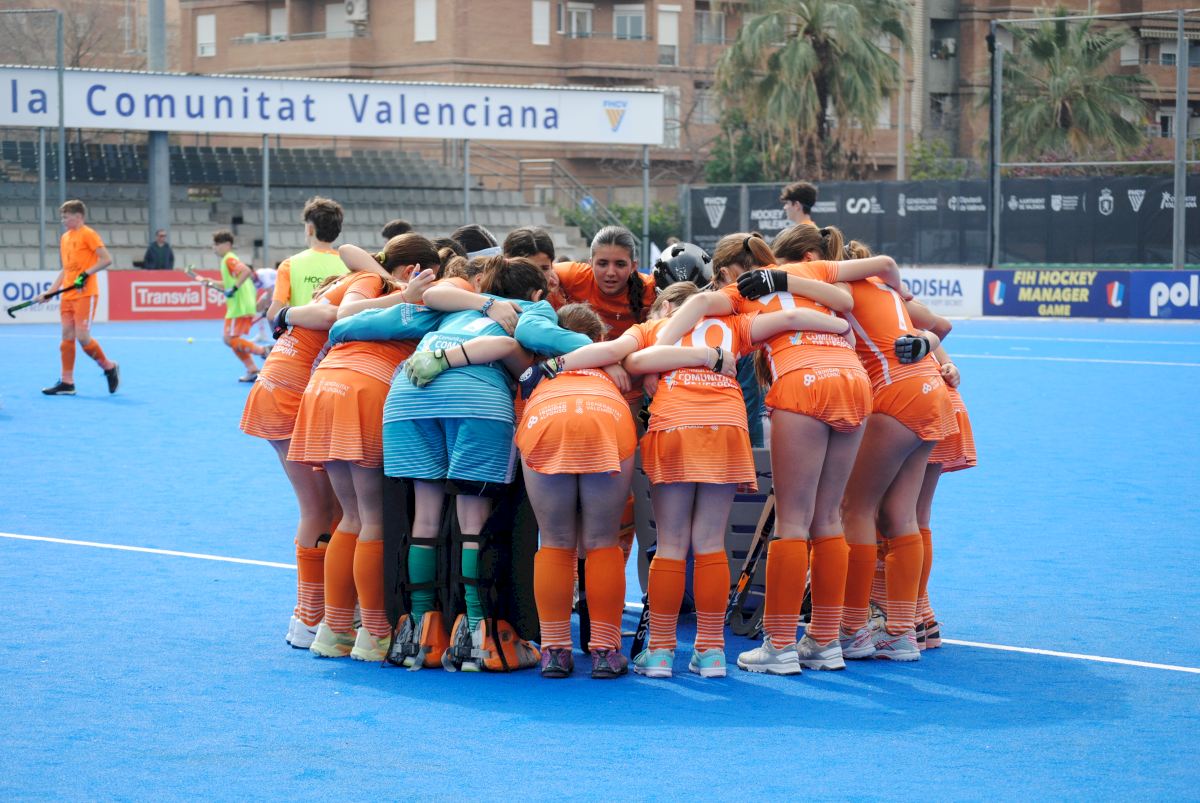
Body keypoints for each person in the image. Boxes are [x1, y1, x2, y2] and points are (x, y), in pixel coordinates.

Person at [651, 227, 877, 674]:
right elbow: (848, 303)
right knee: (829, 518)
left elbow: (696, 305)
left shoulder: (738, 292)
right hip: (853, 378)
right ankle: (826, 640)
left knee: (793, 521)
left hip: (802, 379)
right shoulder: (804, 273)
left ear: (724, 272)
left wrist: (662, 345)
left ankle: (780, 643)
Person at [287, 233, 442, 662]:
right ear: (414, 271)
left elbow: (350, 267)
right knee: (371, 518)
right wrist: (406, 293)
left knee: (351, 517)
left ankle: (335, 629)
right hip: (363, 388)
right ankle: (372, 633)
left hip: (326, 384)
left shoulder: (376, 284)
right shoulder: (396, 291)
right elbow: (347, 302)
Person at [836, 239, 956, 662]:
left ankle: (853, 627)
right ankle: (905, 630)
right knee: (902, 515)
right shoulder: (888, 291)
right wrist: (929, 342)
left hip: (896, 396)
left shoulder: (841, 291)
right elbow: (940, 325)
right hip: (933, 394)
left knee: (855, 508)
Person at [39, 199, 119, 396]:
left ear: (78, 216)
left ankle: (109, 367)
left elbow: (106, 259)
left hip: (85, 294)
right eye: (62, 217)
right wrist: (51, 291)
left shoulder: (88, 234)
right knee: (67, 336)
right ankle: (67, 382)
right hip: (67, 295)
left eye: (66, 217)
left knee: (82, 337)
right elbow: (66, 269)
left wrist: (85, 274)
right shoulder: (65, 237)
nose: (63, 221)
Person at [192, 231, 270, 382]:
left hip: (239, 306)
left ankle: (263, 351)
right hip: (241, 305)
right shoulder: (228, 260)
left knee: (229, 339)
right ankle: (252, 370)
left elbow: (246, 271)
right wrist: (211, 282)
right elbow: (229, 283)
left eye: (216, 244)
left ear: (227, 245)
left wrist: (234, 289)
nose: (214, 248)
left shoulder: (229, 259)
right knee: (232, 339)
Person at [503, 226, 563, 307]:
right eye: (528, 269)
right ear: (508, 264)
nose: (539, 276)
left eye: (545, 268)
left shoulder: (564, 288)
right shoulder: (492, 298)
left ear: (551, 266)